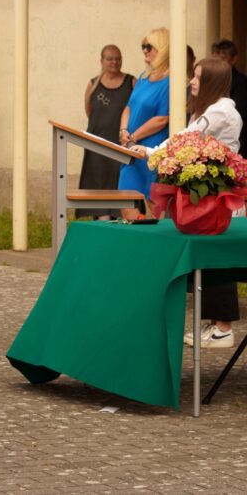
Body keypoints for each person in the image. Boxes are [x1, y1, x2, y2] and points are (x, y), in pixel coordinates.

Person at [130, 56, 242, 349]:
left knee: (214, 257)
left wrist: (151, 152)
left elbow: (184, 140)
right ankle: (215, 324)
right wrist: (153, 151)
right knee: (206, 257)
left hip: (217, 197)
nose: (192, 81)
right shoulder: (207, 111)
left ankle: (223, 327)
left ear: (212, 82)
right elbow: (184, 140)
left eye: (197, 77)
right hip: (205, 193)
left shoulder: (220, 113)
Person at [76, 45, 135, 219]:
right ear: (101, 61)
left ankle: (119, 217)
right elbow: (89, 110)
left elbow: (135, 109)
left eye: (118, 58)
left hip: (120, 142)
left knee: (119, 180)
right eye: (110, 58)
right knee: (98, 181)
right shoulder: (93, 84)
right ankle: (101, 217)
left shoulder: (131, 82)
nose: (114, 62)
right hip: (97, 142)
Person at [118, 28, 171, 219]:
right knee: (125, 198)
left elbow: (162, 118)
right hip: (131, 148)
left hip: (150, 150)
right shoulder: (143, 77)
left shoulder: (171, 81)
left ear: (163, 48)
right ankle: (136, 242)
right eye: (143, 47)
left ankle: (157, 245)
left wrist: (133, 137)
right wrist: (124, 131)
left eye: (149, 46)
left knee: (154, 204)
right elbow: (128, 107)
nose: (145, 51)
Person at [211, 39, 247, 154]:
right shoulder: (211, 80)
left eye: (223, 58)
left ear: (234, 59)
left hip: (235, 139)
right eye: (216, 59)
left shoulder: (242, 82)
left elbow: (238, 111)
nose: (219, 62)